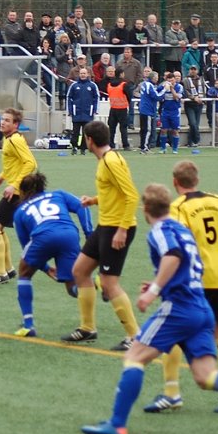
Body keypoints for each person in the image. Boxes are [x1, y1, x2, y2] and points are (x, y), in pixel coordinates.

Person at [80, 183, 218, 434]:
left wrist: (154, 290)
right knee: (206, 377)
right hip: (202, 308)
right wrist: (164, 283)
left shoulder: (160, 230)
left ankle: (117, 424)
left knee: (134, 356)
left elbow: (173, 255)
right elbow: (191, 263)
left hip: (180, 309)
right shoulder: (183, 230)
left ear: (145, 209)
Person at [142, 161, 218, 415]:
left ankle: (172, 393)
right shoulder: (217, 200)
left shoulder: (178, 208)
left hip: (194, 280)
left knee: (172, 333)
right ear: (197, 179)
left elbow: (176, 245)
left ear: (175, 182)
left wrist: (159, 282)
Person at [62, 121, 140, 351]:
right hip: (105, 226)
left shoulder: (111, 161)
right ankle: (88, 328)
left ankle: (135, 336)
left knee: (109, 283)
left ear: (89, 140)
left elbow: (131, 195)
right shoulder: (106, 159)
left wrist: (123, 229)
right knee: (80, 271)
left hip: (117, 228)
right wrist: (94, 200)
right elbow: (113, 191)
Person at [13, 172, 93, 337]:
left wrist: (45, 268)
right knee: (73, 288)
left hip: (43, 237)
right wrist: (89, 234)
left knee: (24, 273)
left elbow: (25, 244)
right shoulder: (58, 194)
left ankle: (28, 325)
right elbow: (81, 205)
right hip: (69, 235)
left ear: (23, 192)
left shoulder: (20, 211)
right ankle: (93, 285)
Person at [0, 108, 37, 287]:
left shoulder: (14, 140)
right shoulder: (9, 139)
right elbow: (14, 164)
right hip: (15, 191)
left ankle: (0, 273)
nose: (3, 122)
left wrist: (14, 184)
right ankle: (8, 269)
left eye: (7, 120)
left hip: (16, 193)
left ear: (16, 125)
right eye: (2, 119)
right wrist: (2, 177)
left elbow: (31, 163)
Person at [66, 67, 99, 155]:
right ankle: (74, 147)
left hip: (88, 113)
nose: (83, 75)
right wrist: (70, 110)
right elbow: (69, 97)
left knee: (86, 133)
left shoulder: (92, 85)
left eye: (84, 73)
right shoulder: (74, 85)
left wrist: (95, 109)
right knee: (75, 132)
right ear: (79, 74)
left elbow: (96, 97)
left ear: (87, 74)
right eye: (81, 73)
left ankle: (83, 148)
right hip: (76, 113)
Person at [137, 68, 164, 153]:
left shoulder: (147, 84)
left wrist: (161, 87)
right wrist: (165, 89)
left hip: (144, 109)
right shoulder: (149, 85)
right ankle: (145, 147)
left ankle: (144, 146)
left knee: (144, 129)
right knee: (147, 130)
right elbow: (157, 96)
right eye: (156, 77)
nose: (157, 79)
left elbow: (154, 91)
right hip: (147, 110)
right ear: (152, 77)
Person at [106, 68, 132, 150]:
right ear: (121, 74)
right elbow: (129, 95)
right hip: (122, 108)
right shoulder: (124, 84)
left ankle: (111, 144)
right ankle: (126, 145)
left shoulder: (109, 84)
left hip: (113, 108)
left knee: (111, 128)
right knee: (123, 128)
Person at [158, 71, 183, 153]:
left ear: (175, 80)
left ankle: (175, 148)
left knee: (175, 131)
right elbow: (157, 93)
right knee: (163, 130)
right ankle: (163, 148)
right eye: (169, 81)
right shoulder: (163, 86)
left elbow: (177, 98)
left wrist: (171, 88)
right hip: (165, 110)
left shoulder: (179, 87)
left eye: (172, 80)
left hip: (175, 111)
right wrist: (164, 88)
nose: (170, 82)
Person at [182, 65, 205, 147]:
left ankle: (191, 142)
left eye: (194, 70)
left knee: (196, 124)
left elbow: (203, 89)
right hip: (189, 105)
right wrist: (193, 97)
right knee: (193, 123)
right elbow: (185, 91)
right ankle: (196, 140)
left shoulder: (201, 79)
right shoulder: (185, 80)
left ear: (197, 71)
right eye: (191, 69)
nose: (193, 71)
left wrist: (202, 98)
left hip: (199, 104)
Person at [205, 78, 218, 146]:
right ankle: (215, 141)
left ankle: (215, 141)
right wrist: (217, 96)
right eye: (216, 83)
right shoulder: (212, 89)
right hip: (215, 110)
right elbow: (209, 95)